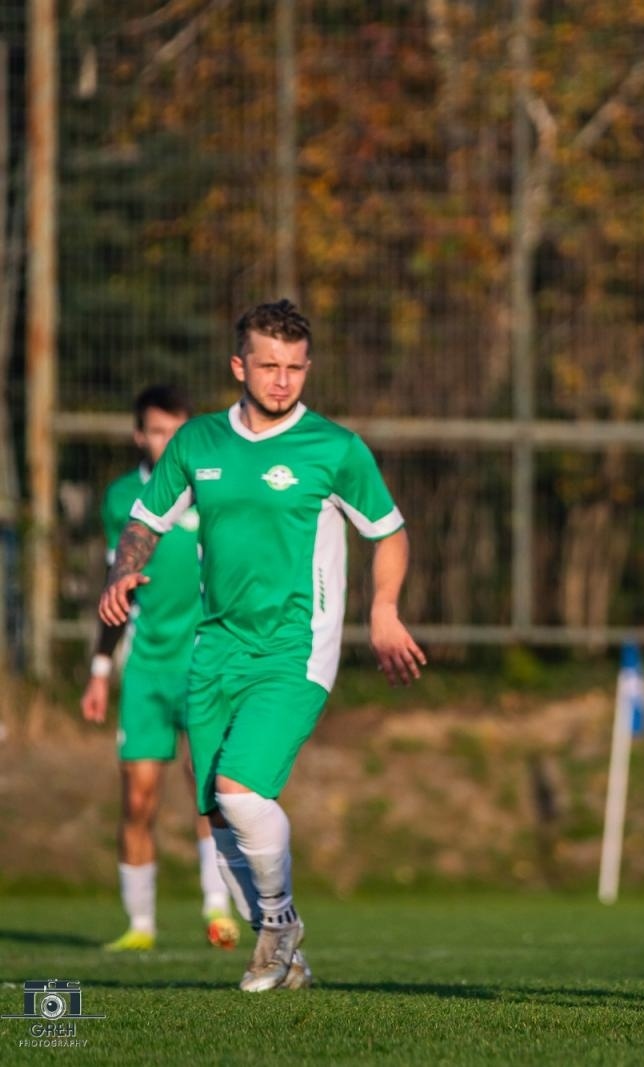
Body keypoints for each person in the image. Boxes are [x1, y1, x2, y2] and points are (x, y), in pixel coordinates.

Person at [99, 299, 426, 992]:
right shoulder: (197, 443)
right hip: (213, 648)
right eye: (269, 365)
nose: (282, 380)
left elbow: (389, 531)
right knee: (218, 818)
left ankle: (279, 924)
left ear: (307, 368)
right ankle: (286, 954)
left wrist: (386, 608)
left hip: (295, 647)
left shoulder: (334, 449)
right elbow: (145, 520)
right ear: (239, 365)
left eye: (295, 367)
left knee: (239, 788)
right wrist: (126, 569)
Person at [81, 385, 241, 953]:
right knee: (138, 798)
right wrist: (100, 669)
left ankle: (216, 909)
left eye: (178, 430)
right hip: (146, 671)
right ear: (138, 435)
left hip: (205, 666)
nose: (168, 441)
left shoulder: (212, 485)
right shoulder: (123, 496)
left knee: (211, 792)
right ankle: (141, 926)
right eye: (157, 430)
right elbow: (114, 588)